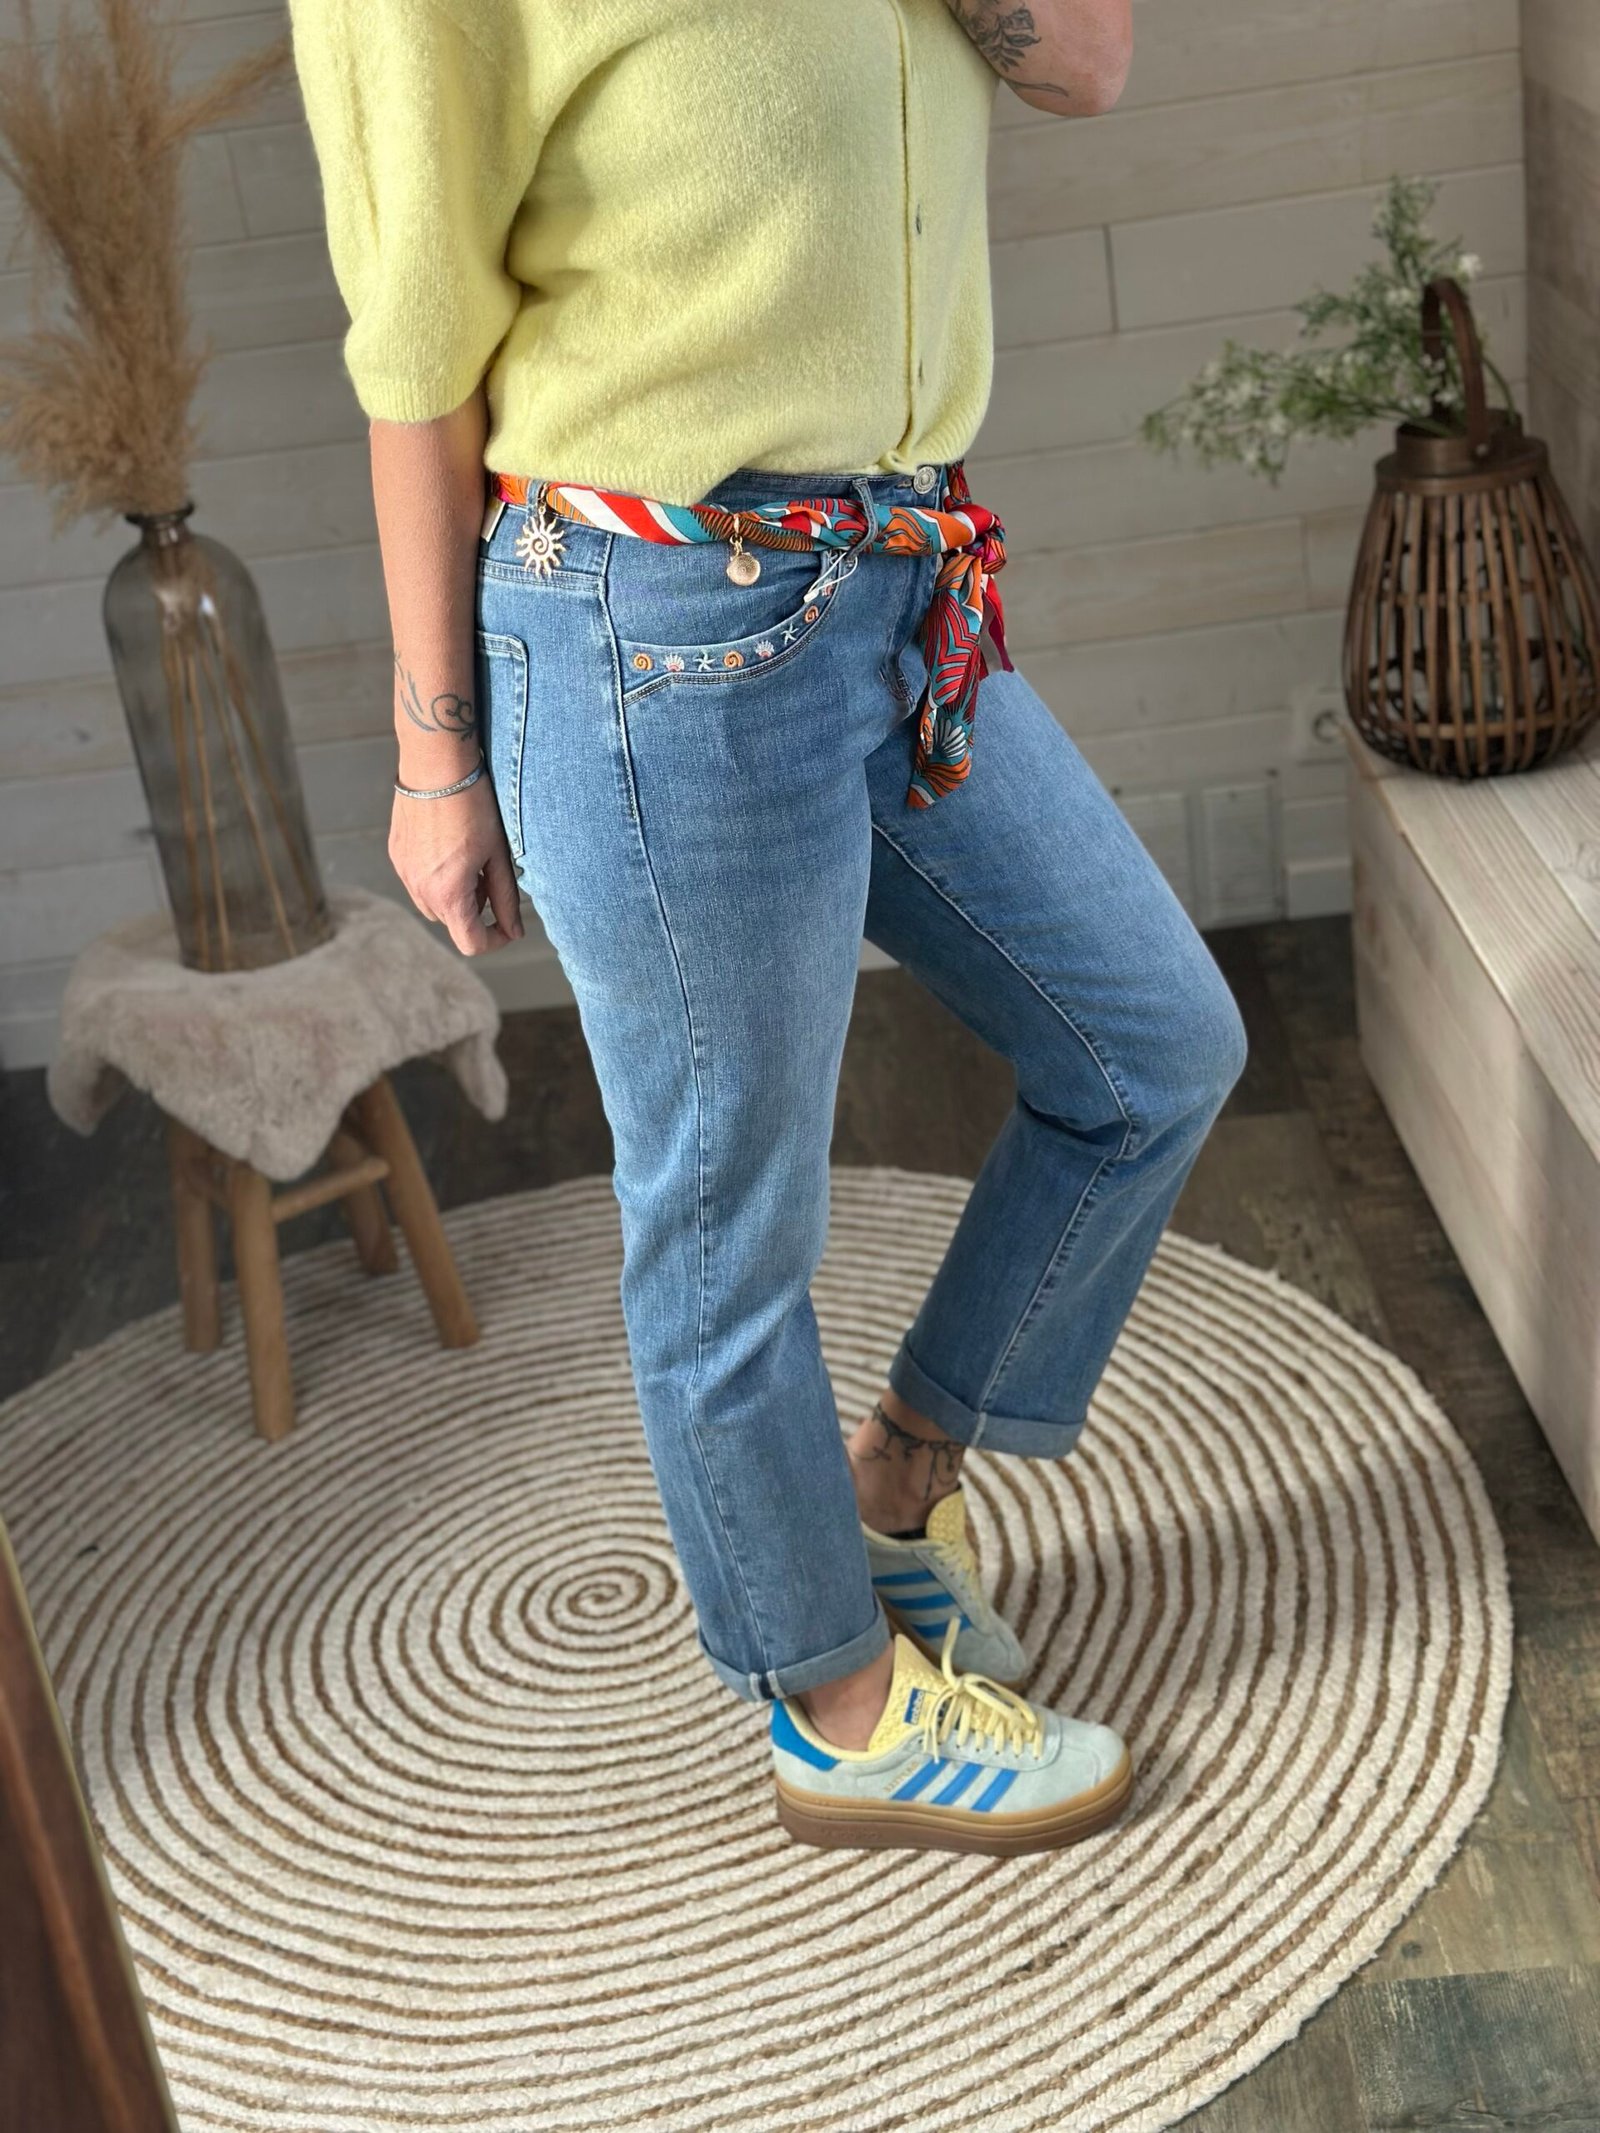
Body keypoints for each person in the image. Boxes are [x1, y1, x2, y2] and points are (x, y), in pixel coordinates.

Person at [287, 0, 1247, 1857]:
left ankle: (893, 1486)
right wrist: (434, 752)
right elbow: (414, 347)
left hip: (894, 581)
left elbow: (1088, 58)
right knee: (727, 1219)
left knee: (1152, 1050)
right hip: (649, 619)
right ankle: (840, 1704)